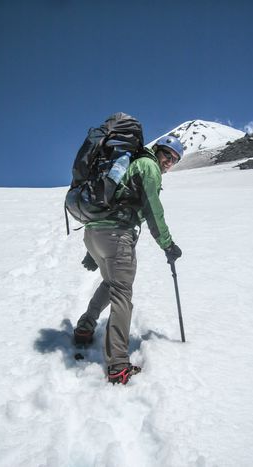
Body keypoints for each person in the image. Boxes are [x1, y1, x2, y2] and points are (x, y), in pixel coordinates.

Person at [74, 135, 183, 384]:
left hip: (94, 235)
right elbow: (153, 210)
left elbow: (108, 205)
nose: (169, 162)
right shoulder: (149, 166)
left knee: (111, 283)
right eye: (167, 155)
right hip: (116, 236)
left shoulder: (129, 164)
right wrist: (168, 244)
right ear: (158, 150)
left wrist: (91, 252)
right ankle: (118, 365)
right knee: (122, 293)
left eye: (175, 160)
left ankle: (85, 327)